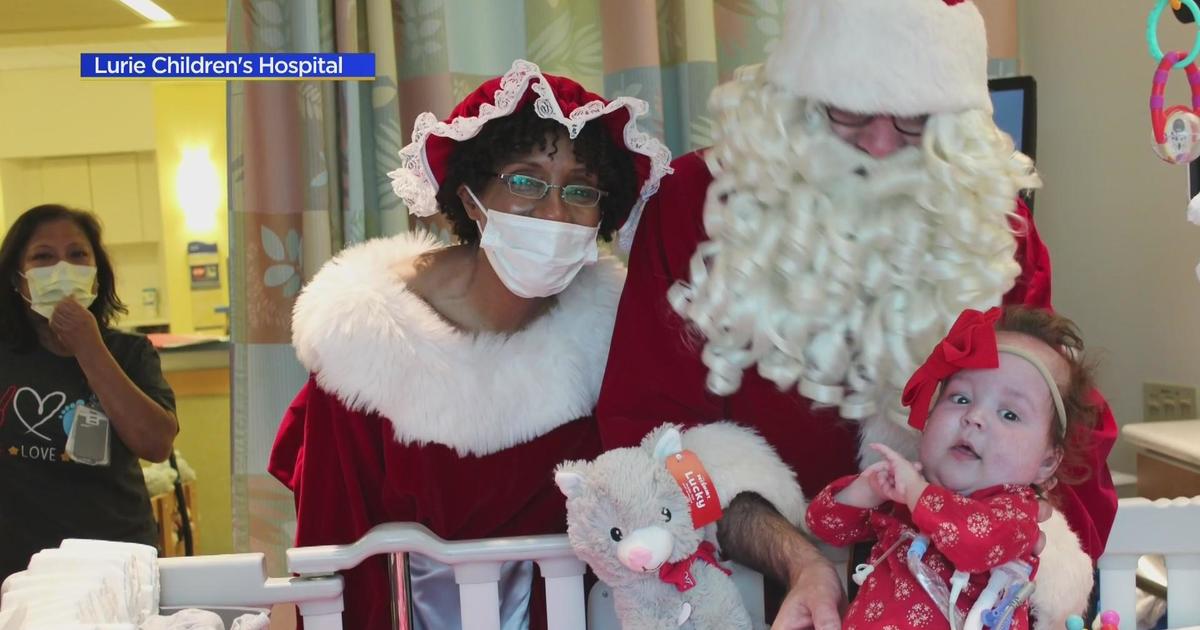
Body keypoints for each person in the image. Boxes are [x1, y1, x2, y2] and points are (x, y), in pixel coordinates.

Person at [593, 1, 1118, 628]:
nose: (877, 143)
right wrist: (803, 564)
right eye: (847, 108)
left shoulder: (992, 229)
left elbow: (1059, 426)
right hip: (742, 598)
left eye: (914, 119)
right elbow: (654, 439)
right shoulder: (695, 204)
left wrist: (1039, 570)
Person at [267, 59, 672, 630]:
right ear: (470, 195)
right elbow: (335, 554)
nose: (555, 212)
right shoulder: (366, 348)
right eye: (526, 181)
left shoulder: (613, 340)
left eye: (580, 189)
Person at [806, 306, 1099, 630]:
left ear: (1046, 462)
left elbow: (974, 544)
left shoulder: (1014, 514)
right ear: (928, 419)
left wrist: (917, 493)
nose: (974, 417)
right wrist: (866, 489)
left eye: (1010, 414)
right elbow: (824, 525)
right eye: (960, 399)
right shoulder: (905, 492)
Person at [0, 204, 178, 583]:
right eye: (43, 257)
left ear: (96, 277)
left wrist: (89, 347)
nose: (62, 269)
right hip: (22, 567)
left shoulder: (131, 352)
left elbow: (156, 444)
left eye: (77, 254)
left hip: (117, 559)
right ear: (18, 279)